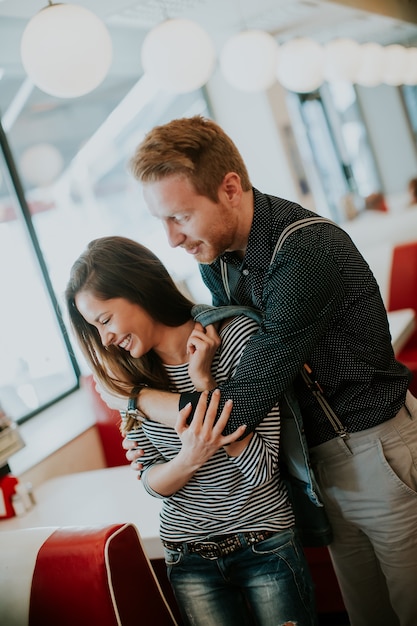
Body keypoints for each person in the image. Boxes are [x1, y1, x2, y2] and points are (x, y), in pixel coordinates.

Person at [102, 115, 417, 626]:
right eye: (161, 221)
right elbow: (232, 371)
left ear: (230, 188)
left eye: (180, 216)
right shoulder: (220, 257)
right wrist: (182, 402)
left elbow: (248, 394)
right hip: (316, 464)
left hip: (376, 449)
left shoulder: (306, 249)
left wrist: (137, 401)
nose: (172, 240)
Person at [65, 235, 318, 626]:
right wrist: (189, 458)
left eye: (105, 320)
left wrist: (204, 385)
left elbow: (261, 469)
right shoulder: (128, 376)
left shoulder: (234, 337)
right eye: (95, 329)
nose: (106, 339)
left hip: (264, 544)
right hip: (188, 556)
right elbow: (151, 481)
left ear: (138, 289)